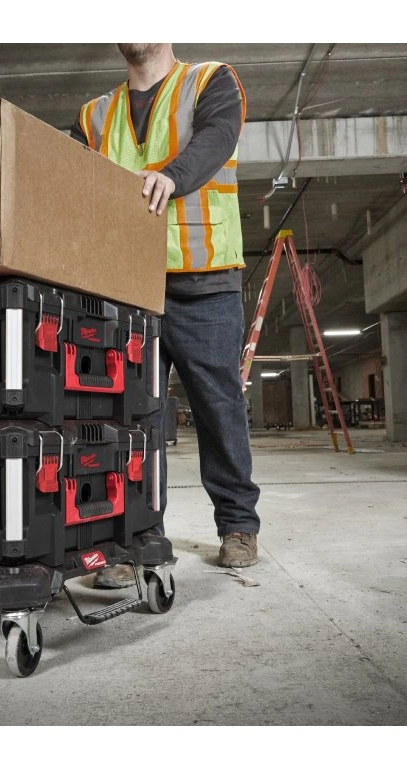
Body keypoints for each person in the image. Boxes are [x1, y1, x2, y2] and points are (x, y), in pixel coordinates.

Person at [70, 43, 261, 586]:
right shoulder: (94, 115)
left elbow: (216, 139)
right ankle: (134, 539)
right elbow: (73, 180)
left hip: (204, 281)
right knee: (133, 424)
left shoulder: (211, 81)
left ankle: (238, 524)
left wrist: (172, 176)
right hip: (128, 291)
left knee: (219, 408)